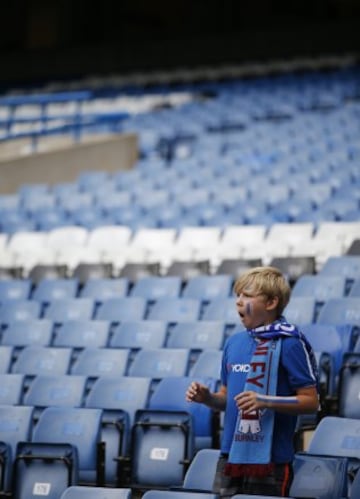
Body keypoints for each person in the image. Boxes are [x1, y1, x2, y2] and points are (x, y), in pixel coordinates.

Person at [186, 266, 319, 497]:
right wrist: (207, 398)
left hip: (272, 460)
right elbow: (228, 400)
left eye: (247, 296)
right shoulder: (234, 343)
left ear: (271, 303)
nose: (238, 302)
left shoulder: (291, 343)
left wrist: (265, 401)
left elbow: (311, 402)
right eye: (237, 295)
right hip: (230, 455)